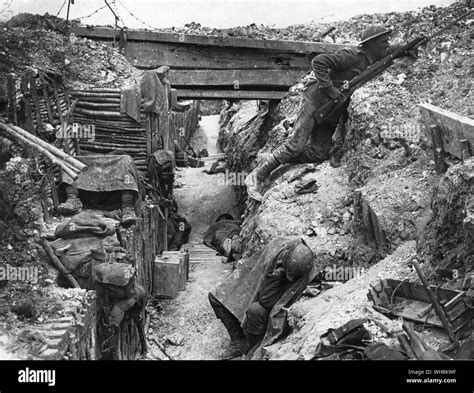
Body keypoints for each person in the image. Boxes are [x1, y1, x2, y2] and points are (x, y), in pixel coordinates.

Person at [245, 25, 412, 201]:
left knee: (320, 154)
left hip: (330, 111)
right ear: (371, 44)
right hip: (315, 100)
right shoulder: (352, 57)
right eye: (383, 41)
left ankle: (273, 158)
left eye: (387, 41)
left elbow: (392, 50)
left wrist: (409, 47)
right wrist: (330, 88)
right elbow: (319, 62)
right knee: (295, 145)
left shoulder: (374, 58)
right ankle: (256, 176)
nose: (387, 44)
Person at [208, 237, 314, 358]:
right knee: (216, 297)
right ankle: (238, 340)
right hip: (258, 282)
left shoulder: (302, 270)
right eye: (288, 274)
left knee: (256, 310)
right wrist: (276, 274)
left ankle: (250, 346)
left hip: (269, 299)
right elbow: (255, 274)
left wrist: (278, 276)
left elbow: (267, 302)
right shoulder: (275, 251)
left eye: (292, 276)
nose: (290, 278)